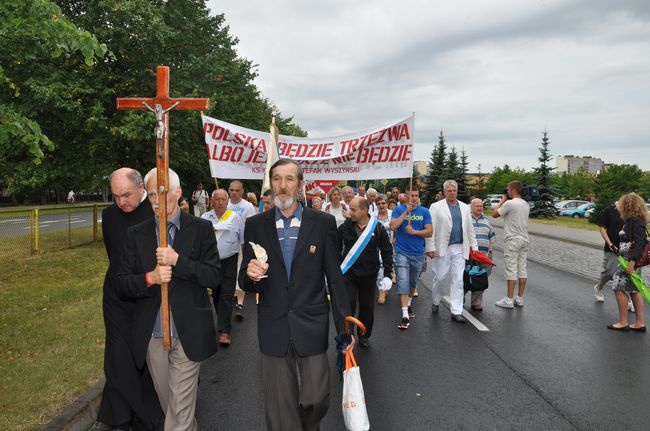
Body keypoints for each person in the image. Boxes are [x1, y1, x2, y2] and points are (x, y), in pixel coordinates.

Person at [239, 158, 353, 431]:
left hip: (311, 322)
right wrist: (251, 275)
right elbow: (245, 278)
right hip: (273, 324)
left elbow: (335, 280)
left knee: (316, 399)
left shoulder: (323, 223)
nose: (282, 185)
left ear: (300, 184)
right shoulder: (255, 224)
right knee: (279, 411)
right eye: (277, 178)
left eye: (289, 179)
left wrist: (345, 330)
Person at [116, 168, 220, 430]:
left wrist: (178, 262)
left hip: (189, 334)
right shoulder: (135, 234)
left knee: (179, 412)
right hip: (153, 336)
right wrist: (150, 277)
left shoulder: (201, 229)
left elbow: (213, 276)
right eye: (151, 194)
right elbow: (122, 283)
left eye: (162, 193)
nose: (156, 200)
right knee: (173, 406)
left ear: (178, 192)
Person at [92, 168, 160, 431]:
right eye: (115, 196)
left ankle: (148, 413)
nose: (121, 202)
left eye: (126, 195)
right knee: (118, 355)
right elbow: (114, 255)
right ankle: (119, 417)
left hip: (148, 296)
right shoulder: (109, 216)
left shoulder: (156, 212)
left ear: (141, 187)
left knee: (143, 355)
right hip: (117, 296)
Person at [339, 197, 393, 347]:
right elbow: (335, 246)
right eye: (350, 209)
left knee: (367, 307)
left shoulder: (378, 228)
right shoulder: (345, 226)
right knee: (348, 305)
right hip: (348, 275)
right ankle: (348, 335)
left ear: (364, 210)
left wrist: (388, 274)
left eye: (353, 210)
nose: (350, 213)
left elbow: (387, 251)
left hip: (369, 275)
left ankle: (364, 335)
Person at [426, 180, 478, 323]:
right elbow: (431, 228)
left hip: (460, 247)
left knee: (458, 279)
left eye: (454, 190)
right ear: (444, 192)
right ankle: (436, 300)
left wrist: (474, 247)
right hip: (442, 247)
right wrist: (429, 247)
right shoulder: (436, 207)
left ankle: (456, 310)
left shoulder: (464, 207)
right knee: (440, 277)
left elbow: (469, 228)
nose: (452, 193)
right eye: (449, 191)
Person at [202, 189, 245, 346]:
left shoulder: (235, 218)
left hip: (230, 261)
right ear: (212, 201)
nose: (220, 202)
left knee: (227, 295)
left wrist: (245, 261)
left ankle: (225, 331)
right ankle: (222, 321)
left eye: (223, 199)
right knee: (217, 294)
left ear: (227, 201)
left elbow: (242, 240)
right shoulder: (205, 218)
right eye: (217, 199)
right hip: (211, 261)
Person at [390, 188, 432, 329]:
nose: (414, 198)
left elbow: (429, 232)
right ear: (405, 197)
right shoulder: (398, 209)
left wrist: (414, 231)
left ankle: (408, 305)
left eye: (416, 196)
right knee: (402, 281)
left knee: (413, 282)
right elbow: (393, 226)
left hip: (418, 253)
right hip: (401, 252)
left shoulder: (424, 211)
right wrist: (405, 213)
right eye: (411, 196)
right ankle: (404, 316)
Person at [607, 193, 648, 331]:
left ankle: (623, 321)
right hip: (629, 260)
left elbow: (639, 242)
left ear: (626, 206)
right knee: (634, 290)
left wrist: (631, 263)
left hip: (628, 262)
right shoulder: (634, 220)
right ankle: (639, 323)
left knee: (619, 288)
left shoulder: (635, 221)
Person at [492, 181, 530, 309]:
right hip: (524, 239)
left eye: (508, 189)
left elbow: (495, 214)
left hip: (512, 239)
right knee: (522, 269)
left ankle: (509, 299)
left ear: (513, 190)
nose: (507, 191)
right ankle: (520, 298)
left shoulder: (509, 203)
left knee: (511, 269)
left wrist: (502, 201)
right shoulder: (526, 204)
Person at [228, 180, 257, 319]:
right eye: (232, 190)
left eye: (237, 190)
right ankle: (231, 296)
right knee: (229, 272)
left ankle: (240, 302)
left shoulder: (248, 206)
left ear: (242, 191)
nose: (234, 193)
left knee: (240, 269)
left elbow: (251, 226)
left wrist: (248, 244)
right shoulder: (223, 203)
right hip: (226, 245)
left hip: (242, 244)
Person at [468, 197, 496, 311]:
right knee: (465, 277)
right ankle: (459, 300)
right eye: (477, 206)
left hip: (484, 256)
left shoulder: (487, 221)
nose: (480, 208)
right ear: (471, 207)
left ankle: (476, 302)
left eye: (481, 206)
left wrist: (490, 253)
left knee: (481, 279)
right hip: (469, 256)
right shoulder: (466, 220)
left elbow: (492, 238)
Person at [594, 202, 624, 302]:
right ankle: (599, 287)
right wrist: (610, 243)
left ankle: (629, 300)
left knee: (627, 275)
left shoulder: (631, 212)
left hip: (627, 248)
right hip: (612, 247)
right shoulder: (609, 210)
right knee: (609, 273)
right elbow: (602, 228)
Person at [376, 194, 393, 304]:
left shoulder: (393, 214)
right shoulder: (372, 216)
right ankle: (381, 291)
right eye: (378, 203)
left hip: (390, 246)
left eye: (383, 203)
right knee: (379, 268)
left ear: (387, 204)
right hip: (376, 246)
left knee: (387, 266)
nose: (381, 205)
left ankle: (385, 287)